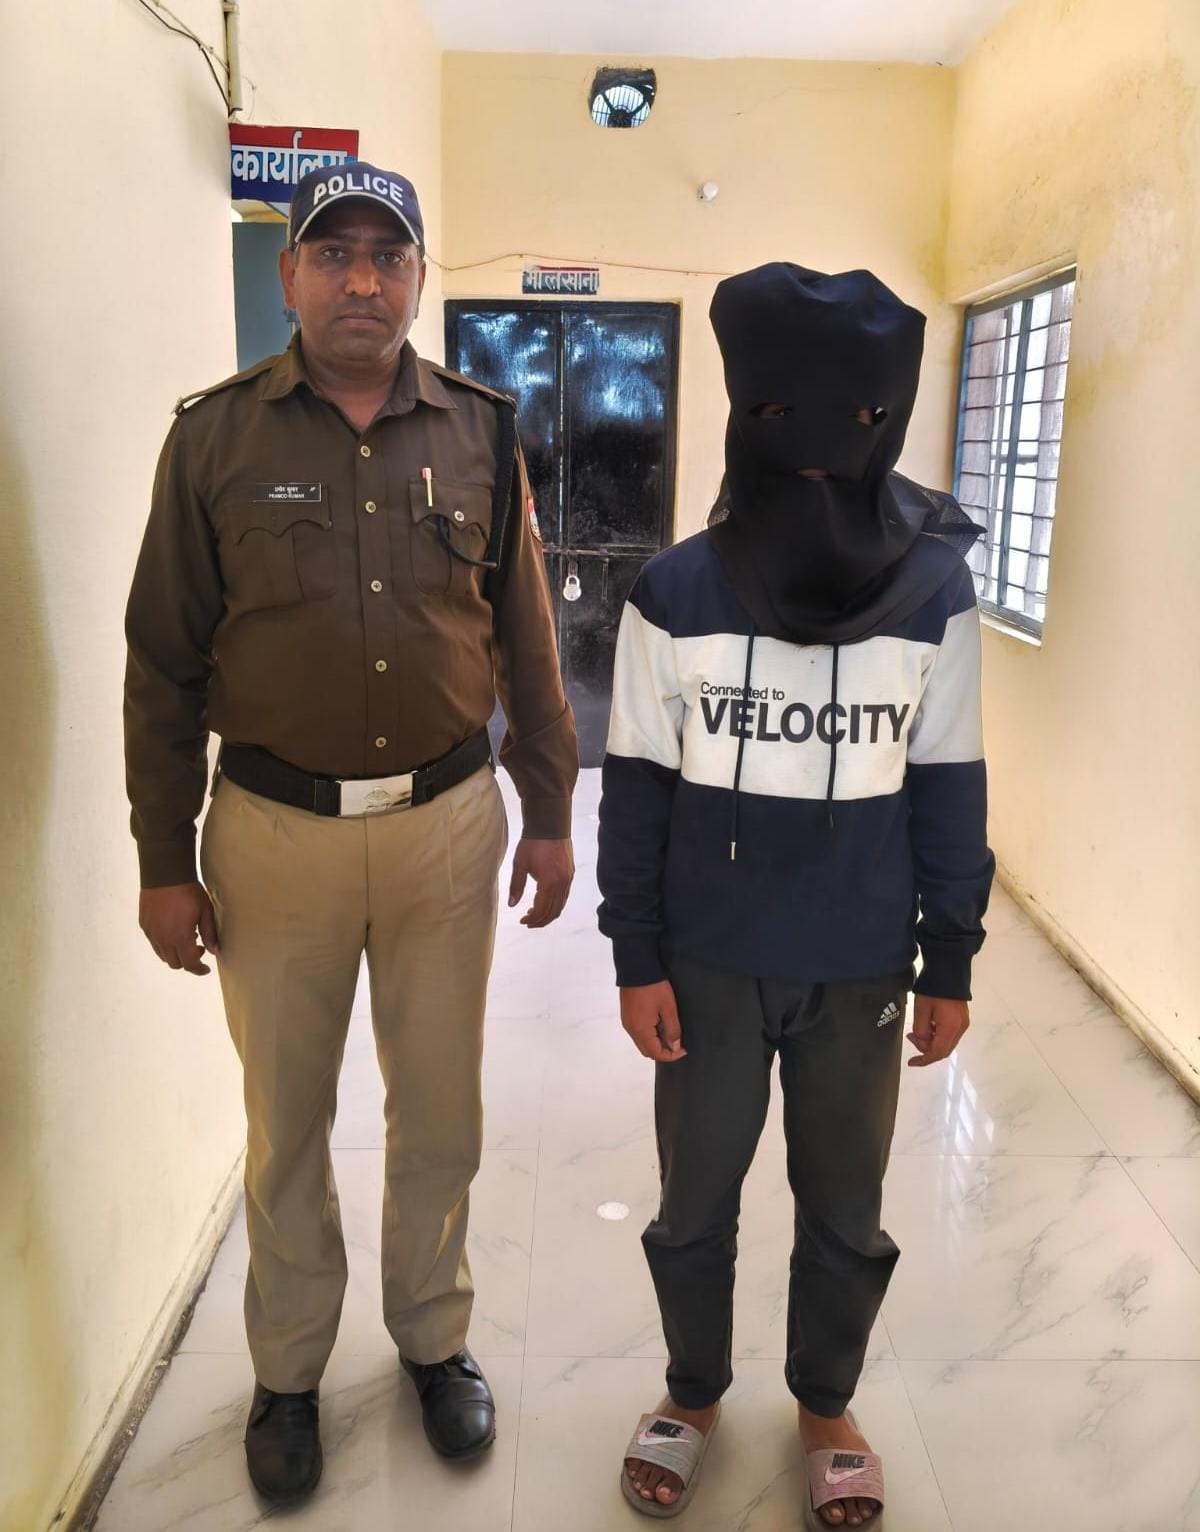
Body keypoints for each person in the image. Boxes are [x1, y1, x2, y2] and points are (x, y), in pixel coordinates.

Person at [124, 161, 578, 1502]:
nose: (362, 279)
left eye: (388, 254)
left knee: (439, 1108)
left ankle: (433, 1338)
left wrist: (551, 808)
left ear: (420, 278)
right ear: (290, 277)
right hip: (273, 834)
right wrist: (162, 858)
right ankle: (287, 1371)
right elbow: (162, 667)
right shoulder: (213, 441)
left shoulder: (482, 430)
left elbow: (527, 636)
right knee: (287, 1123)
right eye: (334, 254)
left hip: (447, 828)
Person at [598, 263, 994, 1528]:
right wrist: (635, 954)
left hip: (862, 962)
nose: (818, 454)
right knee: (694, 1198)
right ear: (742, 413)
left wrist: (949, 958)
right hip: (707, 961)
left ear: (889, 418)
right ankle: (693, 1389)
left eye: (855, 422)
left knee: (844, 1203)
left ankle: (826, 1402)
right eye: (782, 419)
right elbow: (636, 793)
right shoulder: (673, 594)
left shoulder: (935, 595)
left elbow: (950, 785)